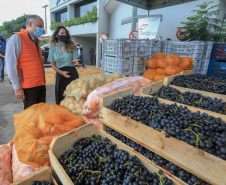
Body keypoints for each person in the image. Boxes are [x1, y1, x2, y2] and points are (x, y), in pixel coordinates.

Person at [5, 15, 46, 110]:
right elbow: (11, 64)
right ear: (30, 24)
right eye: (39, 26)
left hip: (40, 84)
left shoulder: (35, 41)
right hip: (28, 87)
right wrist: (17, 87)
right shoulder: (17, 38)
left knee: (41, 115)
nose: (41, 29)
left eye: (42, 27)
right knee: (30, 117)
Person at [47, 26, 80, 105]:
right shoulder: (52, 49)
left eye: (65, 33)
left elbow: (75, 60)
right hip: (60, 75)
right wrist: (61, 73)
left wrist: (75, 62)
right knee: (61, 98)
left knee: (74, 98)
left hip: (72, 74)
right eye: (62, 33)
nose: (64, 35)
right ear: (56, 35)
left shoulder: (72, 46)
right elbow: (53, 65)